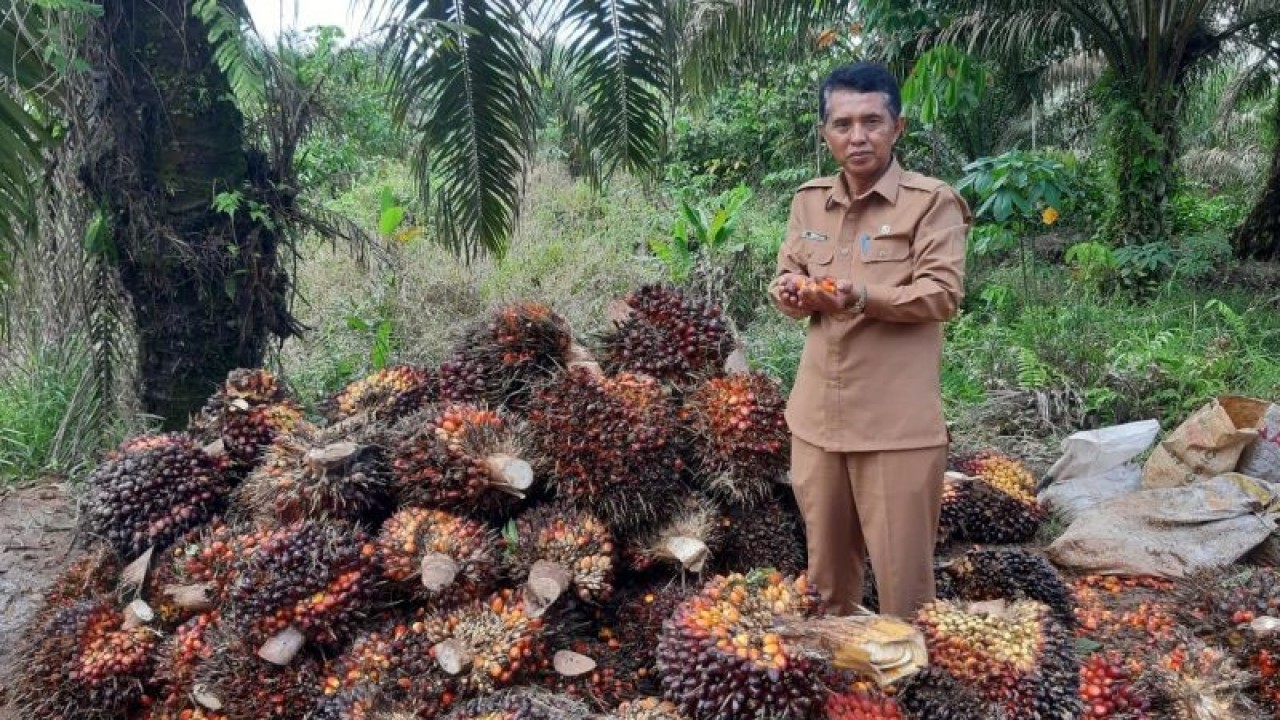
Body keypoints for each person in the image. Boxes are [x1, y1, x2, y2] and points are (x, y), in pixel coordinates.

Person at [768, 62, 970, 618]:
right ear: (825, 132)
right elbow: (790, 273)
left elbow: (942, 295)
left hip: (895, 428)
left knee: (906, 592)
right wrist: (787, 292)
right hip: (816, 423)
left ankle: (909, 690)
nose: (857, 136)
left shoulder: (931, 203)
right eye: (842, 124)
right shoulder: (808, 201)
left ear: (897, 127)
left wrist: (861, 296)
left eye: (872, 121)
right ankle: (843, 686)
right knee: (827, 586)